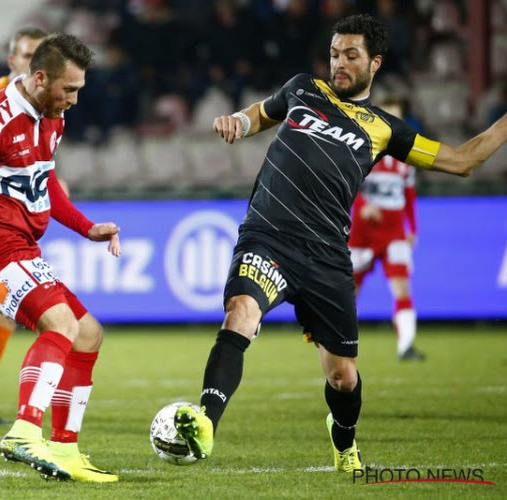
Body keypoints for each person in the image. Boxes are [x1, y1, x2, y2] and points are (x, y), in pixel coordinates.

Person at [173, 13, 507, 473]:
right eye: (334, 54)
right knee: (240, 315)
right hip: (268, 237)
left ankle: (344, 440)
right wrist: (236, 121)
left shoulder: (386, 129)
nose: (339, 64)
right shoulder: (303, 89)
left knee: (343, 377)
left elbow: (464, 160)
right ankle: (205, 423)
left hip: (327, 257)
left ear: (375, 63)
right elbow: (260, 114)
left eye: (351, 56)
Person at [0, 33, 121, 482]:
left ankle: (64, 448)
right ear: (39, 78)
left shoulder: (52, 117)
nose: (75, 100)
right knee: (60, 324)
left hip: (23, 247)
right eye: (69, 89)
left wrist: (86, 227)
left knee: (88, 334)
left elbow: (44, 185)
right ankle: (25, 430)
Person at [349, 98, 424, 361]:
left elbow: (410, 195)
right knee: (349, 292)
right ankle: (339, 344)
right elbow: (346, 187)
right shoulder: (362, 150)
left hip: (394, 233)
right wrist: (363, 204)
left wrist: (412, 228)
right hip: (362, 234)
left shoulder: (408, 158)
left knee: (402, 287)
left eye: (396, 118)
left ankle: (406, 346)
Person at [0, 27, 47, 92]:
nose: (36, 62)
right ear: (11, 61)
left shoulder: (57, 96)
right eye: (28, 56)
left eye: (41, 56)